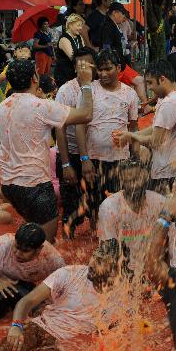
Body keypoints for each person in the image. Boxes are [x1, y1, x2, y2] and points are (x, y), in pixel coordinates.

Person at [0, 237, 121, 351]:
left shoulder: (122, 297)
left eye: (102, 263)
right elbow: (27, 301)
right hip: (40, 328)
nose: (93, 266)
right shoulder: (69, 273)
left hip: (62, 345)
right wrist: (16, 326)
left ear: (115, 269)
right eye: (95, 259)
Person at [0, 59, 93, 242]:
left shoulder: (2, 108)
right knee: (45, 244)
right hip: (35, 185)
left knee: (32, 234)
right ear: (35, 78)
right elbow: (86, 114)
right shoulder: (41, 106)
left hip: (9, 185)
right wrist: (86, 84)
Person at [77, 50, 140, 226]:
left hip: (121, 160)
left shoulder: (129, 94)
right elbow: (80, 127)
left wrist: (135, 159)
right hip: (94, 160)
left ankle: (116, 242)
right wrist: (84, 159)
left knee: (119, 204)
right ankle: (96, 242)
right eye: (100, 69)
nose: (103, 74)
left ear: (118, 68)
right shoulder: (89, 91)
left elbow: (133, 128)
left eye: (108, 69)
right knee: (94, 205)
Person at [0, 222, 65, 322]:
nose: (18, 253)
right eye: (16, 247)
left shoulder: (52, 258)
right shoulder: (1, 245)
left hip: (21, 284)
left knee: (40, 311)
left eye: (25, 251)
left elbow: (66, 282)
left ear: (38, 250)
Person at [118, 60, 176, 195]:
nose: (149, 88)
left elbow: (155, 141)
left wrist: (132, 136)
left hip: (167, 171)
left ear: (162, 79)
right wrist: (136, 134)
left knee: (164, 213)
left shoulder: (169, 104)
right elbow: (157, 128)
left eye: (150, 83)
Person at [96, 159, 166, 272]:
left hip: (154, 267)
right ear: (121, 181)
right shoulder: (108, 208)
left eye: (138, 178)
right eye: (129, 180)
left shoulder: (160, 202)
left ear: (147, 177)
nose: (135, 185)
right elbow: (109, 250)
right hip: (123, 269)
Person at [55, 46, 96, 237]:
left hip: (95, 153)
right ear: (74, 68)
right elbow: (59, 128)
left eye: (88, 64)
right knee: (71, 206)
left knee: (95, 202)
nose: (85, 69)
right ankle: (68, 243)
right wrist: (65, 164)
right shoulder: (66, 90)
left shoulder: (99, 87)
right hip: (70, 153)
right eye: (81, 65)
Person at [55, 14, 85, 88]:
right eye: (78, 25)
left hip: (76, 74)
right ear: (70, 25)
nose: (81, 28)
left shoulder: (79, 37)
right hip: (64, 74)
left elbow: (85, 53)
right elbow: (73, 57)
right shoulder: (64, 38)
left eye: (81, 26)